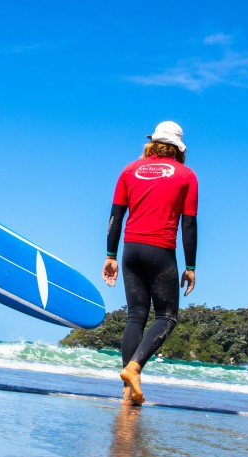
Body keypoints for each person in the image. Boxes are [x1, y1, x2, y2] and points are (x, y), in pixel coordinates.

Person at [102, 121, 198, 406]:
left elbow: (115, 216)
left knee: (135, 317)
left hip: (130, 249)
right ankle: (134, 368)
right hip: (161, 250)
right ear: (178, 148)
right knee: (166, 316)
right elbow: (189, 224)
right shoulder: (186, 175)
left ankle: (127, 394)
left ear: (152, 142)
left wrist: (110, 255)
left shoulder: (129, 170)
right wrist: (190, 266)